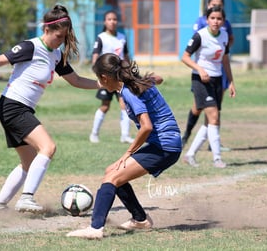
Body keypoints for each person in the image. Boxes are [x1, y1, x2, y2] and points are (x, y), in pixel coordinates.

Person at [0, 5, 99, 214]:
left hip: (19, 108)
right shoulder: (30, 47)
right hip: (13, 106)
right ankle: (26, 198)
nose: (61, 41)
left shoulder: (56, 55)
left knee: (28, 163)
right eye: (58, 36)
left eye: (64, 37)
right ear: (46, 30)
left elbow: (75, 80)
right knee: (48, 147)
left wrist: (103, 84)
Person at [66, 53, 182, 239]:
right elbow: (159, 78)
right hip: (167, 142)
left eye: (99, 79)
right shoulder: (136, 83)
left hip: (165, 146)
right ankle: (140, 219)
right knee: (112, 171)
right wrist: (149, 80)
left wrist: (127, 154)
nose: (100, 83)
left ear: (105, 78)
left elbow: (146, 127)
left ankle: (95, 229)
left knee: (112, 178)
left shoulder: (128, 91)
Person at [181, 5, 236, 168]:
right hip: (201, 80)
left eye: (219, 18)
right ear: (207, 20)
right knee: (214, 118)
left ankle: (190, 154)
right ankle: (217, 158)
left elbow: (225, 60)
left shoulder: (224, 35)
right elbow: (184, 57)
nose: (216, 21)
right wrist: (199, 69)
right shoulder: (200, 36)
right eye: (212, 18)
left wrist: (231, 81)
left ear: (223, 21)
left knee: (209, 121)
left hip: (217, 80)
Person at [89, 10, 134, 144]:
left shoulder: (122, 37)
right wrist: (99, 74)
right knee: (105, 105)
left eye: (114, 19)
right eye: (109, 19)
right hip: (106, 78)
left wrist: (129, 71)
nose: (112, 22)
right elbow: (95, 57)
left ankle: (125, 135)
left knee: (124, 104)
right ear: (105, 22)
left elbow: (125, 57)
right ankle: (94, 133)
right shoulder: (101, 37)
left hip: (120, 77)